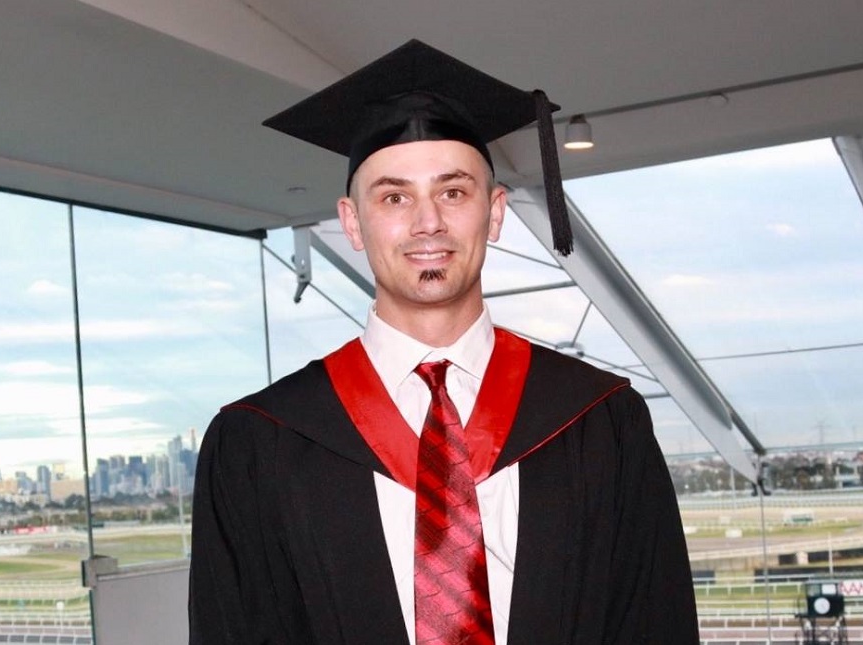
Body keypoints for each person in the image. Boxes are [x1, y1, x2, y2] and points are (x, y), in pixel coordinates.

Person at [189, 40, 699, 645]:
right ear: (353, 222)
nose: (427, 222)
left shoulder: (602, 420)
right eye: (394, 197)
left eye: (453, 192)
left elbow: (654, 622)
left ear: (496, 212)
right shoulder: (259, 439)